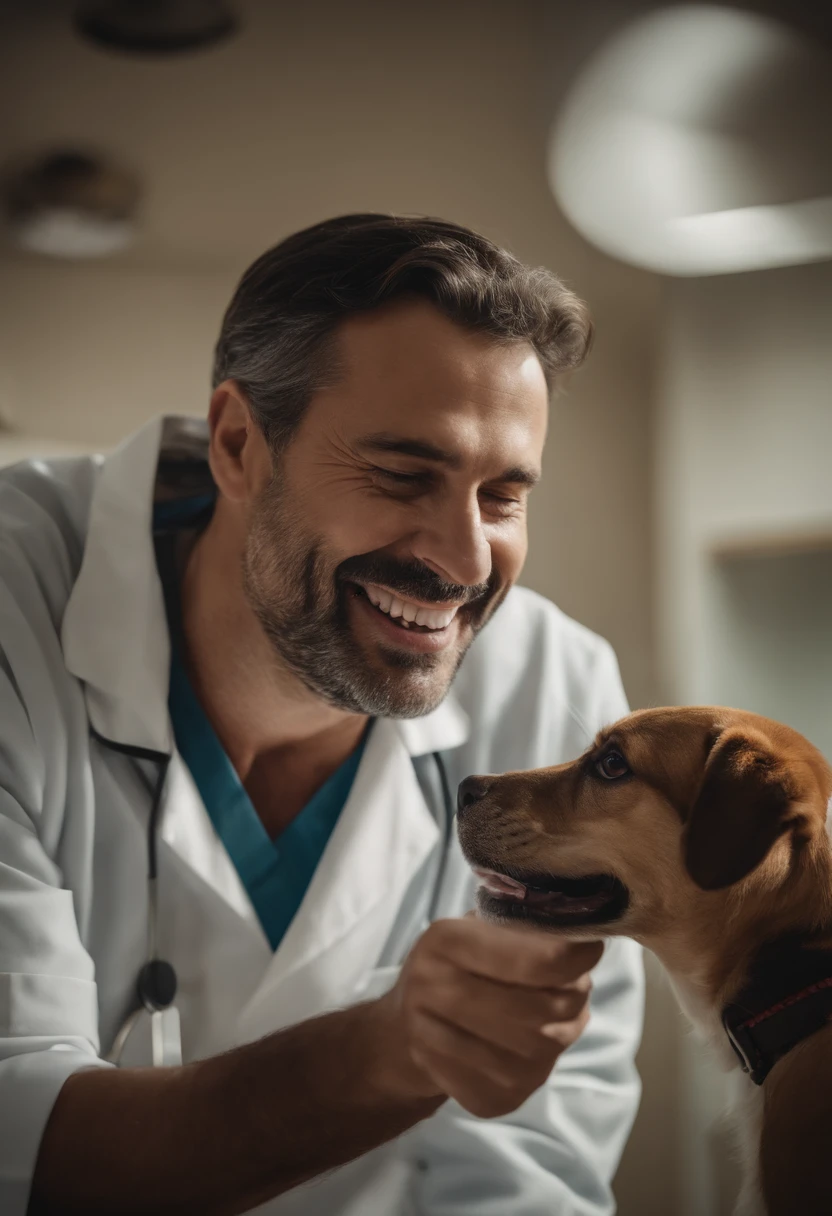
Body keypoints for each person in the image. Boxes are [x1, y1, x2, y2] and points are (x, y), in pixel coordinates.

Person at [0, 214, 643, 1216]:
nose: (466, 563)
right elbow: (22, 1145)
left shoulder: (554, 693)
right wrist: (393, 1045)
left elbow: (524, 1176)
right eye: (401, 475)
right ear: (238, 442)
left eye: (503, 496)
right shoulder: (17, 608)